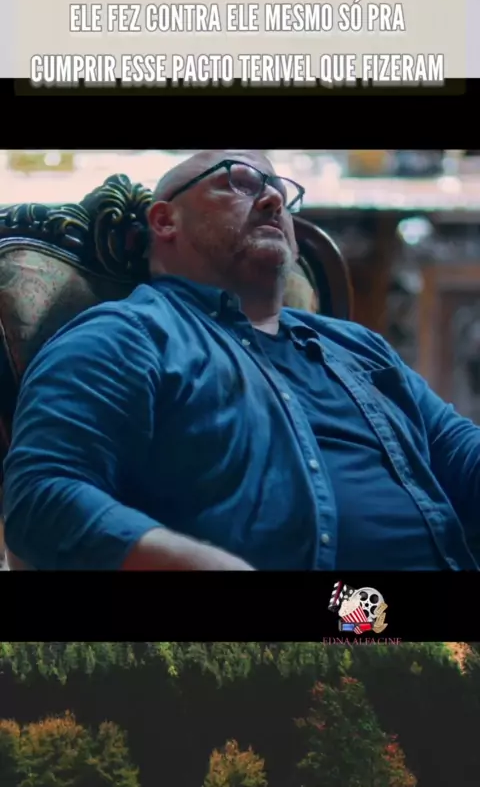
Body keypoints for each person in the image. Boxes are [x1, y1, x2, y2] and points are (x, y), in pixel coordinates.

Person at [3, 150, 480, 571]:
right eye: (239, 182)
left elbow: (459, 453)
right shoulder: (125, 336)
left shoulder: (357, 346)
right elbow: (40, 495)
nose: (272, 199)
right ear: (165, 221)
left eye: (281, 193)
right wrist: (189, 565)